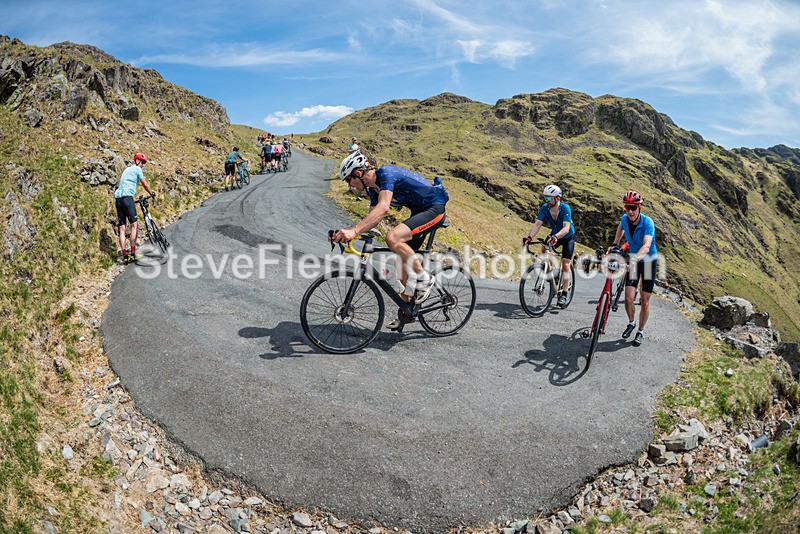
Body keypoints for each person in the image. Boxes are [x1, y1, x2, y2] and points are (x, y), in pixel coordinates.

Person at [332, 152, 449, 329]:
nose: (350, 185)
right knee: (400, 265)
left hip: (435, 209)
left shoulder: (385, 174)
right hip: (419, 213)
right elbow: (372, 218)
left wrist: (354, 231)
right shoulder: (373, 189)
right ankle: (407, 311)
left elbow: (384, 207)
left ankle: (424, 277)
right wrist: (345, 234)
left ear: (358, 173)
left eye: (349, 179)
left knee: (392, 237)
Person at [609, 190, 658, 347]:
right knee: (629, 298)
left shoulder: (648, 222)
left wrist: (635, 260)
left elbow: (647, 245)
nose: (630, 211)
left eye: (633, 208)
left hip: (648, 260)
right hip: (634, 259)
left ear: (639, 208)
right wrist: (615, 244)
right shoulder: (624, 219)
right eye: (627, 207)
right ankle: (631, 322)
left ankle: (640, 331)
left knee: (644, 301)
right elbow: (621, 227)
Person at [522, 184, 575, 307]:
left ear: (557, 198)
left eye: (548, 198)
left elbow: (566, 228)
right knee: (544, 247)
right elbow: (537, 224)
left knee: (565, 264)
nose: (546, 200)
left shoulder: (565, 208)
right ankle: (553, 273)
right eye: (545, 198)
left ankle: (564, 293)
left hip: (567, 236)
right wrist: (529, 238)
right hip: (554, 234)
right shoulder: (545, 208)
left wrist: (556, 237)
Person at [114, 152, 154, 262]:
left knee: (122, 228)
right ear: (137, 161)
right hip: (127, 198)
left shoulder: (126, 170)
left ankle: (124, 255)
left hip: (118, 199)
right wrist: (151, 193)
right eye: (142, 163)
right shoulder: (137, 169)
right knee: (134, 225)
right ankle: (133, 253)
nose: (143, 165)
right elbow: (145, 184)